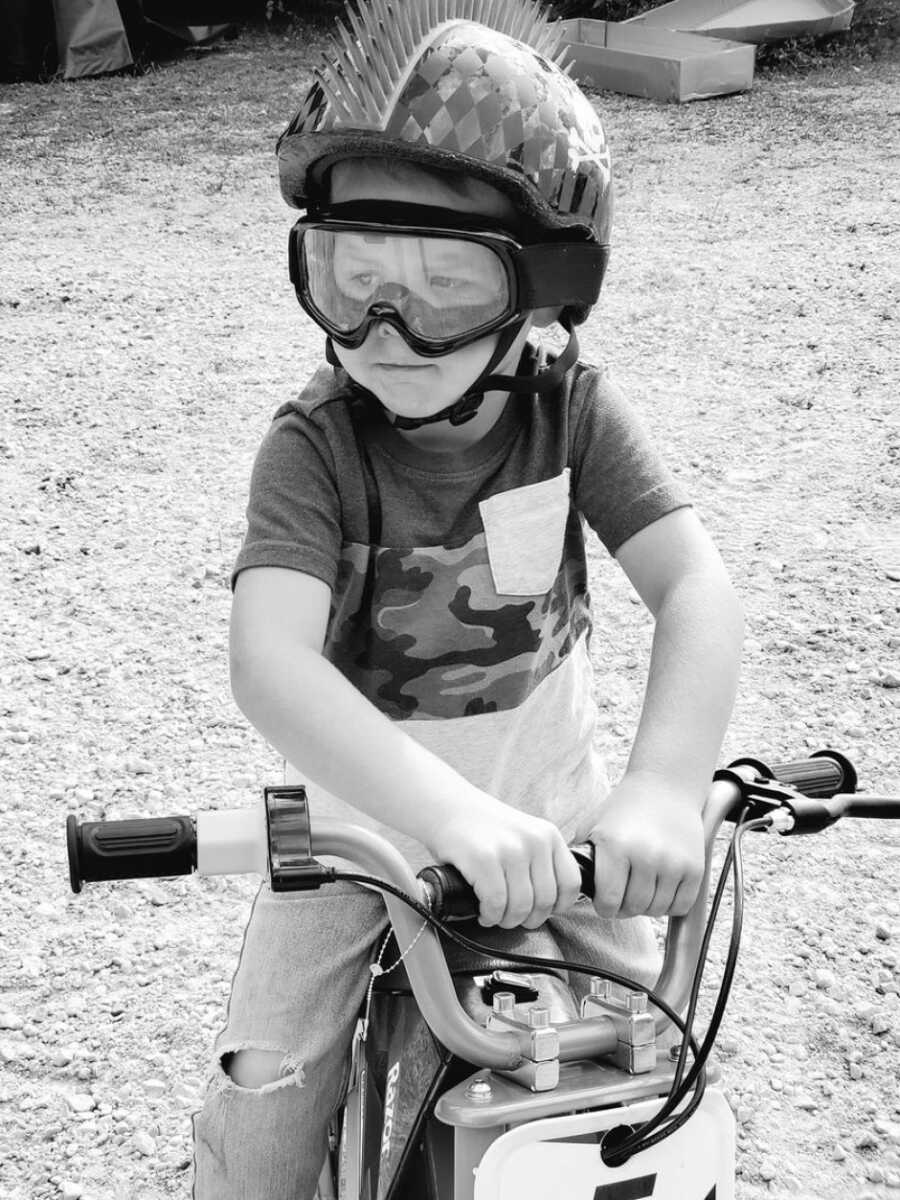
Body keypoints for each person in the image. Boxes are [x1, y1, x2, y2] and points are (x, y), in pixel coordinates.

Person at [192, 0, 744, 1194]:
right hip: (356, 839)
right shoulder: (316, 445)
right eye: (349, 277)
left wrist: (660, 788)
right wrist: (440, 820)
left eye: (442, 288)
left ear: (543, 290)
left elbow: (694, 583)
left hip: (556, 814)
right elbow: (269, 660)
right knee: (268, 1081)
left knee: (651, 1056)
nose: (382, 331)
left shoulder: (571, 410)